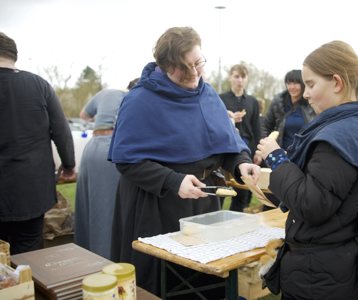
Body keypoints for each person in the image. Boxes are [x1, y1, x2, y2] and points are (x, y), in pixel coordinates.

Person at [107, 27, 260, 298]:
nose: (193, 73)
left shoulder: (207, 94)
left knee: (203, 278)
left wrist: (241, 164)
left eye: (198, 63)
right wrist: (173, 180)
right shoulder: (139, 100)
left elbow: (225, 147)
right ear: (165, 65)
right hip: (156, 204)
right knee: (163, 280)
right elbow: (127, 161)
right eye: (183, 67)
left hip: (203, 202)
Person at [256, 40, 358, 300]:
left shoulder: (339, 136)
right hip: (339, 259)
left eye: (310, 84)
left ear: (337, 83)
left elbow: (312, 205)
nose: (305, 93)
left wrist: (276, 159)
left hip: (319, 273)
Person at [0, 32, 75, 255]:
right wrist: (68, 165)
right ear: (14, 56)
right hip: (31, 188)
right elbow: (61, 130)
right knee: (29, 253)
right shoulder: (38, 84)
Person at [74, 78, 139, 260]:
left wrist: (98, 117)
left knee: (87, 205)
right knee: (108, 209)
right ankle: (106, 261)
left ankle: (83, 257)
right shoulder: (135, 97)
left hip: (91, 147)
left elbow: (83, 116)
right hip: (113, 148)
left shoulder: (105, 93)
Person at [260, 70, 316, 210]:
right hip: (280, 156)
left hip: (301, 158)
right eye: (289, 83)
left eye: (296, 83)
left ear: (303, 84)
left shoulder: (311, 103)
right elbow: (266, 126)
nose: (292, 87)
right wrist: (267, 150)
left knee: (296, 197)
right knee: (271, 198)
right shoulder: (278, 101)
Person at [220, 64, 261, 212]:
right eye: (236, 76)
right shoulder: (220, 99)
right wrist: (229, 119)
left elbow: (257, 129)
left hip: (247, 152)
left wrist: (258, 152)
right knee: (221, 191)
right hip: (225, 152)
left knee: (243, 193)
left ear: (247, 79)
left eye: (243, 77)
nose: (240, 80)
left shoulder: (252, 101)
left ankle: (235, 226)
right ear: (230, 77)